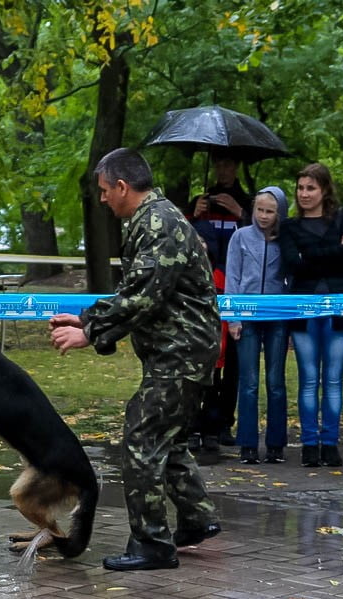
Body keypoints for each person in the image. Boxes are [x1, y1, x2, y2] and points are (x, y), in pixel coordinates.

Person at [50, 147, 221, 571]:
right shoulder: (153, 220)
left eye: (106, 191)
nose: (103, 199)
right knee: (169, 438)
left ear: (123, 187)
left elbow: (144, 295)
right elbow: (143, 292)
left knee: (141, 439)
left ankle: (152, 544)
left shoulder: (159, 223)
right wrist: (90, 318)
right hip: (183, 350)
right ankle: (197, 519)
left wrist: (89, 331)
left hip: (181, 353)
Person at [278, 163, 343, 468]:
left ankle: (331, 442)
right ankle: (310, 445)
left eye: (310, 188)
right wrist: (332, 252)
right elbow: (292, 264)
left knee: (334, 378)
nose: (304, 194)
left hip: (340, 309)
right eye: (300, 188)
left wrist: (309, 254)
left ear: (325, 189)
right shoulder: (289, 226)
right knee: (309, 378)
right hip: (303, 308)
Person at [186, 153, 253, 452]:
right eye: (219, 163)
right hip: (206, 285)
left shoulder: (248, 202)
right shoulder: (202, 201)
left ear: (236, 165)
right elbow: (185, 237)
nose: (224, 167)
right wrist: (192, 212)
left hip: (237, 288)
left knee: (234, 362)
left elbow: (260, 234)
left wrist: (242, 213)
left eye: (229, 163)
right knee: (209, 358)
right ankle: (199, 421)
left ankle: (226, 420)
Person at [224, 187, 290, 465]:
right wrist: (232, 318)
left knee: (276, 382)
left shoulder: (286, 241)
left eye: (269, 211)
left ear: (280, 213)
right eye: (259, 210)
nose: (263, 216)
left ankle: (276, 443)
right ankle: (248, 443)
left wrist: (289, 321)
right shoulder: (240, 238)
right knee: (248, 383)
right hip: (247, 316)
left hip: (277, 318)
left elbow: (292, 281)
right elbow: (232, 278)